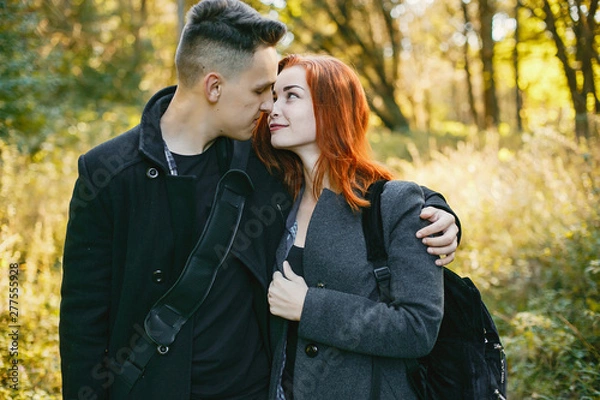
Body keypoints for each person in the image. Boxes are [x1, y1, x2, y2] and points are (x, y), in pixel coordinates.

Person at [59, 1, 458, 399]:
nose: (270, 106)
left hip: (252, 388)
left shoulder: (262, 158)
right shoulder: (109, 171)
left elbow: (355, 177)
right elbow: (84, 316)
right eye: (261, 90)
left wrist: (439, 211)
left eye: (280, 93)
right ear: (213, 86)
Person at [254, 54, 446, 400]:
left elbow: (418, 328)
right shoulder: (280, 200)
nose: (272, 107)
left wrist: (310, 307)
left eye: (291, 95)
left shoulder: (393, 204)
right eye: (273, 95)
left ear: (332, 106)